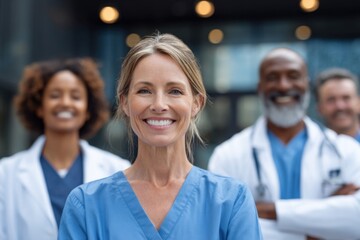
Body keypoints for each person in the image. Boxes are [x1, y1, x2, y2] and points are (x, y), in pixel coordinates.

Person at [58, 33, 263, 239]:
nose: (158, 105)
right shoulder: (86, 205)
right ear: (124, 102)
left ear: (196, 103)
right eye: (144, 91)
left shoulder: (230, 201)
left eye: (174, 91)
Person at [208, 48, 360, 240]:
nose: (283, 85)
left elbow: (357, 221)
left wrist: (267, 210)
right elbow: (222, 226)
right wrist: (323, 223)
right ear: (260, 87)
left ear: (307, 84)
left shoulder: (347, 151)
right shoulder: (228, 155)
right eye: (272, 77)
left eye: (293, 75)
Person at [0, 58, 130, 240]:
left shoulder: (118, 170)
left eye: (76, 96)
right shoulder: (6, 174)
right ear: (39, 107)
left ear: (88, 110)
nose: (65, 103)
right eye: (55, 95)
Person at [315, 67, 360, 141]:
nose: (340, 106)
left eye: (346, 98)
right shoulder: (311, 149)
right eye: (331, 100)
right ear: (319, 108)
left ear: (358, 103)